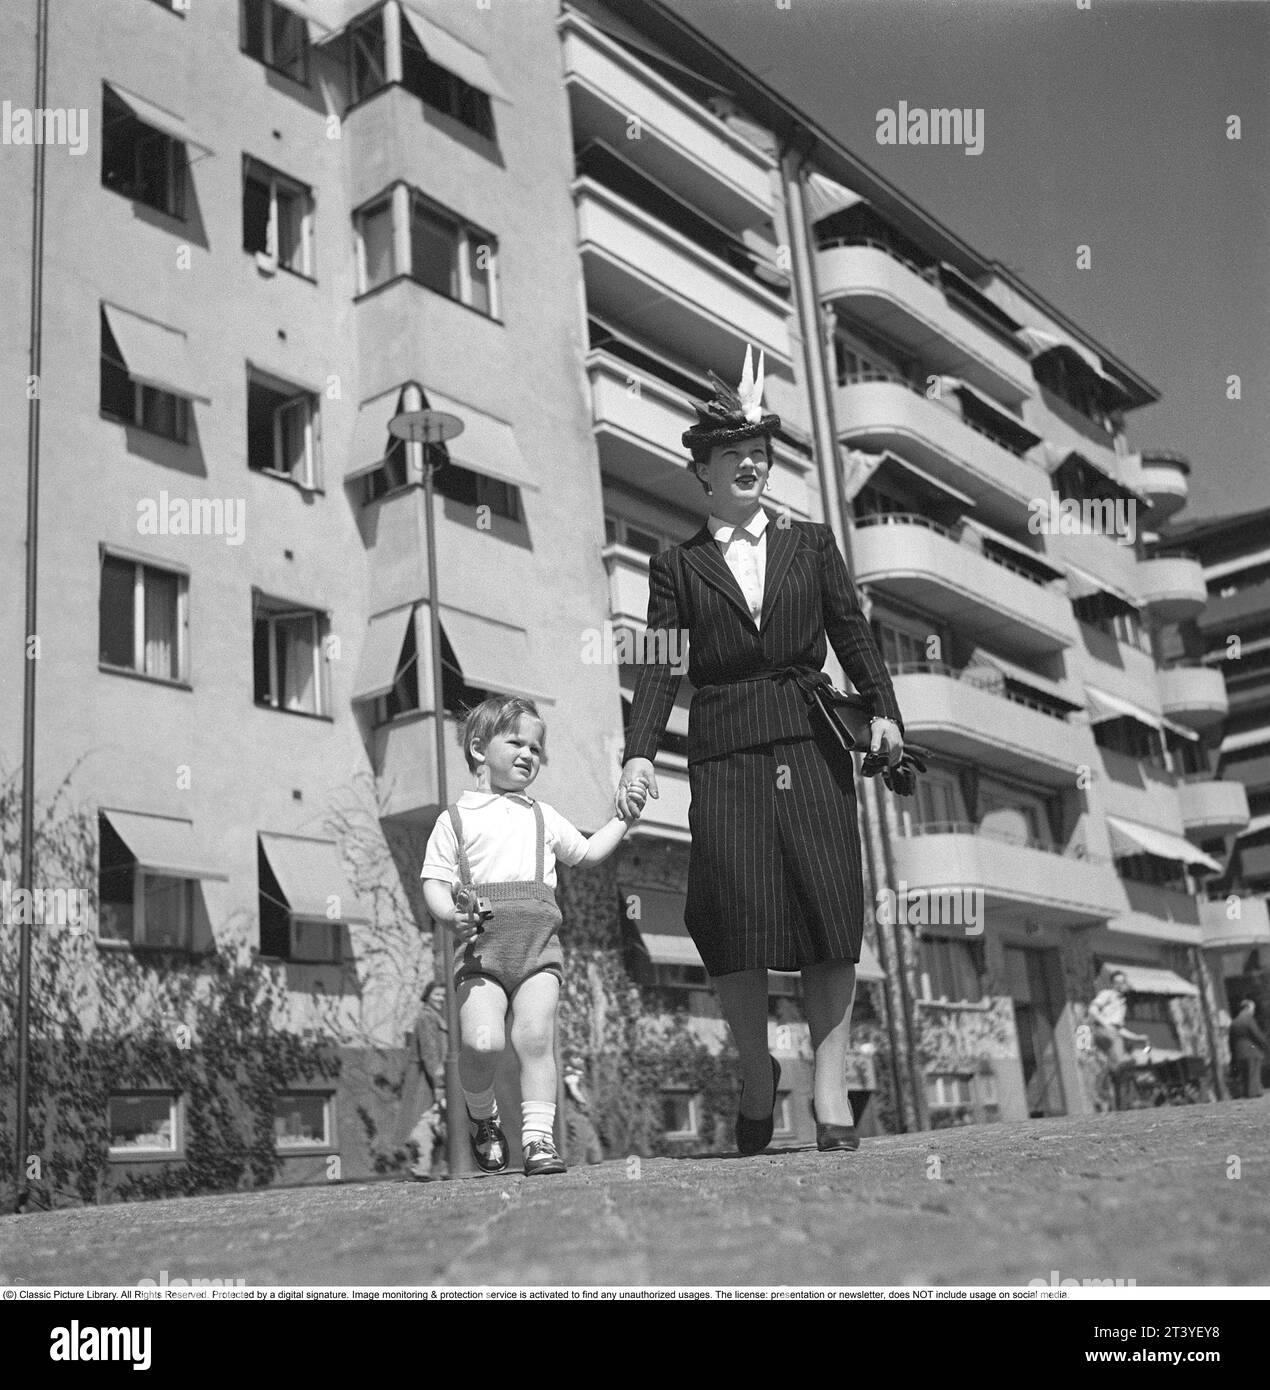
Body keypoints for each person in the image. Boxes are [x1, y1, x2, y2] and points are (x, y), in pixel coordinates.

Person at [616, 346, 907, 1156]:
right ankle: (754, 1074)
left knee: (827, 906)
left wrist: (884, 711)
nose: (751, 465)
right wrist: (640, 753)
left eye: (761, 454)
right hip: (724, 746)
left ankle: (828, 1088)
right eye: (733, 456)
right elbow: (664, 661)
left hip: (810, 735)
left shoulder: (812, 546)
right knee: (732, 912)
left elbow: (851, 634)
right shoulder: (677, 563)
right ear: (701, 471)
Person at [421, 696, 645, 1177]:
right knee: (480, 1044)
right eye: (516, 741)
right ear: (479, 748)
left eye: (537, 747)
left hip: (539, 954)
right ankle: (483, 1116)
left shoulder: (542, 816)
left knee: (535, 1038)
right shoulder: (454, 820)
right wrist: (447, 916)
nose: (529, 753)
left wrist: (624, 819)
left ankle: (538, 1141)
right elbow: (434, 882)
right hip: (481, 954)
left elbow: (586, 853)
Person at [398, 983, 447, 1180]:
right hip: (431, 1079)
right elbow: (430, 1053)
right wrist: (439, 1083)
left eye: (444, 995)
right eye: (436, 994)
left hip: (435, 1076)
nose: (441, 998)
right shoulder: (427, 1017)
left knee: (435, 1121)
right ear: (427, 996)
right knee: (428, 1121)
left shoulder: (435, 1017)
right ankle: (422, 1166)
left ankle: (427, 1166)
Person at [1088, 970, 1150, 1110]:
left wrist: (1137, 1037)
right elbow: (1093, 1010)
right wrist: (1106, 1025)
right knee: (1124, 1062)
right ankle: (1107, 1090)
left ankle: (1114, 1097)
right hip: (1103, 1031)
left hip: (1112, 1033)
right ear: (1112, 984)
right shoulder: (1107, 994)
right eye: (1117, 982)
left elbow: (1119, 1029)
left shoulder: (1122, 1002)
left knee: (1119, 1067)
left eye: (1123, 982)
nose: (1121, 985)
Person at [563, 1055, 605, 1166]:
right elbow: (574, 1090)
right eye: (576, 1057)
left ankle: (595, 1158)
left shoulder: (579, 1073)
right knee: (579, 1137)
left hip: (583, 1113)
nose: (579, 1059)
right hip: (575, 1112)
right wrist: (582, 1101)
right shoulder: (570, 1074)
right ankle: (575, 1162)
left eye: (580, 1057)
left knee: (590, 1136)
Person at [1228, 998, 1266, 1100]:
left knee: (1245, 1078)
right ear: (1248, 1007)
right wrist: (1265, 1046)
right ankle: (1253, 1097)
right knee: (1253, 1077)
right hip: (1251, 1051)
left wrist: (1233, 1056)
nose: (1253, 1011)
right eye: (1253, 1008)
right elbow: (1257, 1035)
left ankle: (1248, 1095)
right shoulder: (1248, 1019)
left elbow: (1231, 1042)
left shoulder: (1234, 1022)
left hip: (1239, 1053)